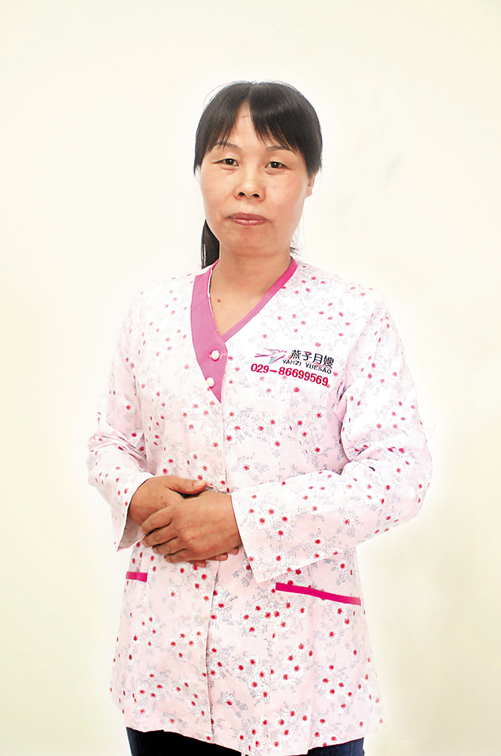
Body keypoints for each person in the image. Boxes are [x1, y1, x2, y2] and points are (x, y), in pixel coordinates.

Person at [87, 81, 432, 756]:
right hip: (164, 669)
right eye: (227, 160)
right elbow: (109, 443)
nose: (249, 184)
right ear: (199, 173)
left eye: (275, 163)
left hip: (299, 679)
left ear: (310, 181)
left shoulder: (351, 317)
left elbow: (398, 474)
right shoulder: (150, 314)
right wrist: (139, 492)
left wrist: (243, 519)